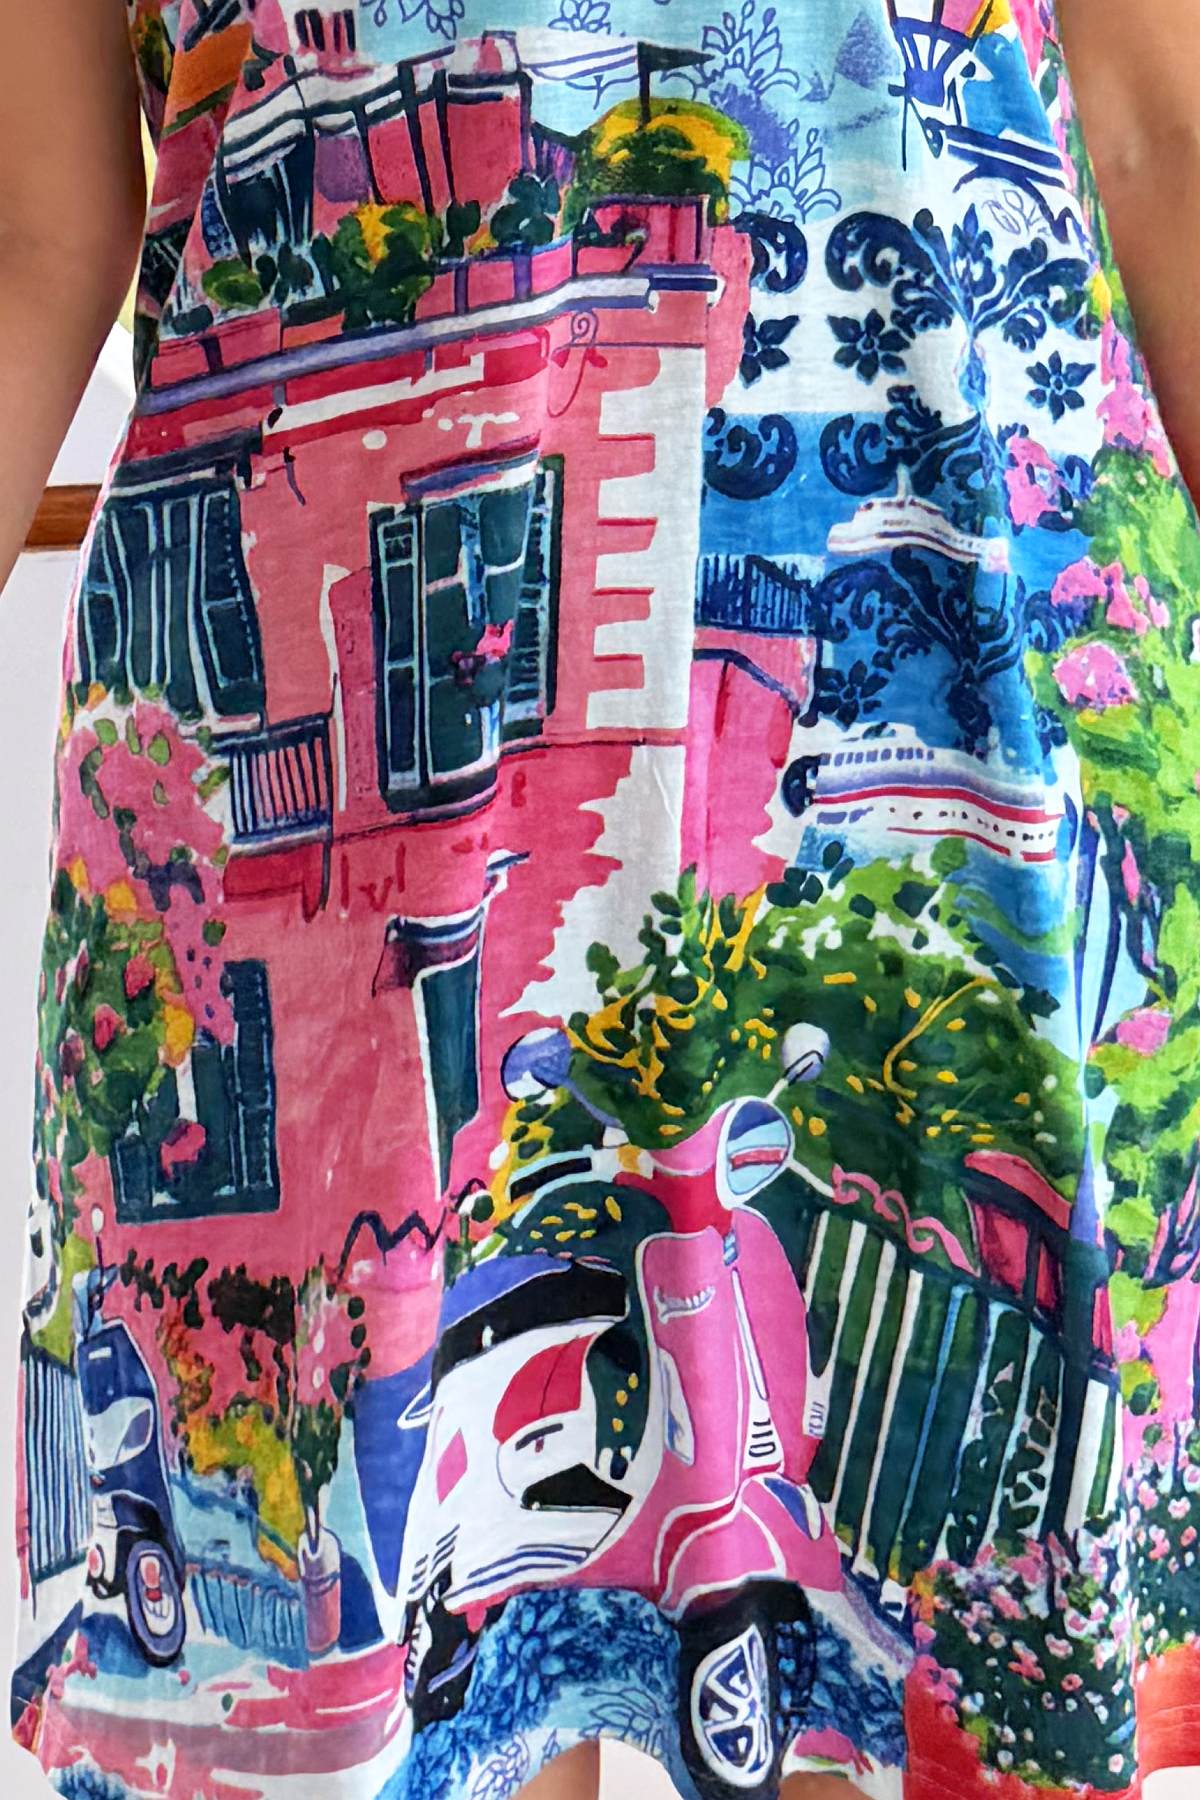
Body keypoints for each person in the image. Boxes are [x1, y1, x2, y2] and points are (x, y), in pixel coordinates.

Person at [5, 3, 1200, 1799]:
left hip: (960, 724)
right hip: (317, 835)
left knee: (890, 1650)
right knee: (406, 1653)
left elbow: (1157, 139)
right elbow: (40, 234)